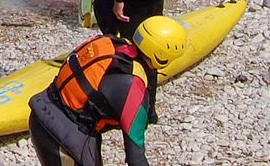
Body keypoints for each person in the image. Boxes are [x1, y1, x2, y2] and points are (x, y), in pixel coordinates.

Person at [26, 15, 189, 166]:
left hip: (41, 109)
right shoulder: (133, 87)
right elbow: (135, 158)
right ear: (163, 58)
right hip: (60, 136)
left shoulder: (108, 42)